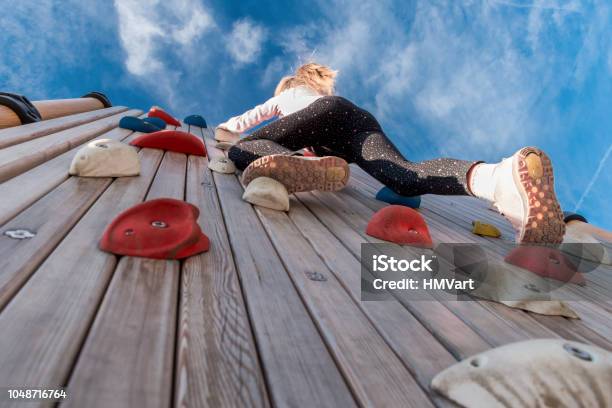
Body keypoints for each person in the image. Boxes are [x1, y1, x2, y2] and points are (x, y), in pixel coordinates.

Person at [217, 63, 565, 244]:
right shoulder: (324, 95)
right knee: (405, 176)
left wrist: (225, 133)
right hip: (355, 121)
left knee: (242, 147)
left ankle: (291, 165)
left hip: (323, 127)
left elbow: (241, 124)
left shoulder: (285, 98)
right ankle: (500, 179)